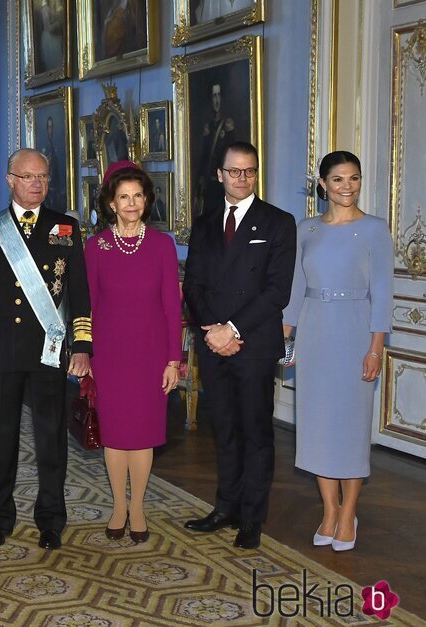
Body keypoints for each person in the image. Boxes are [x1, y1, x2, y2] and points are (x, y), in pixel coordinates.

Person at [0, 148, 92, 551]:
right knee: (1, 438)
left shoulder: (65, 229)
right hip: (2, 352)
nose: (36, 184)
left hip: (49, 351)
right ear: (10, 180)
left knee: (51, 439)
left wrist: (83, 346)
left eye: (42, 176)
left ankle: (51, 520)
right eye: (27, 177)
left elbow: (80, 294)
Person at [182, 141, 296, 550]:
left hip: (253, 342)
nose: (241, 178)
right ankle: (225, 506)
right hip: (213, 343)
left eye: (249, 171)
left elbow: (276, 292)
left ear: (256, 174)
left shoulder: (279, 223)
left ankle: (252, 517)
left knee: (256, 432)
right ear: (220, 175)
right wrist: (213, 330)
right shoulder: (205, 223)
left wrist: (231, 328)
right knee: (224, 429)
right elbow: (192, 283)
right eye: (234, 171)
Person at [281, 151, 393, 552]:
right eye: (339, 180)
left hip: (355, 331)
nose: (348, 187)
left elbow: (382, 294)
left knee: (350, 427)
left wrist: (375, 349)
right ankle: (329, 510)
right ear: (323, 184)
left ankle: (349, 514)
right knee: (317, 427)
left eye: (354, 179)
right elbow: (294, 288)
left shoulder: (376, 230)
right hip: (314, 333)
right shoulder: (306, 228)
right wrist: (286, 337)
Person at [85, 161, 181, 544]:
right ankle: (118, 507)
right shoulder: (96, 247)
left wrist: (174, 359)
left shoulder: (162, 245)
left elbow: (173, 307)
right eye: (123, 196)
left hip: (152, 352)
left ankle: (137, 506)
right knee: (115, 433)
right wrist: (84, 354)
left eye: (137, 196)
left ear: (146, 200)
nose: (131, 203)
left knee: (142, 433)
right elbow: (87, 306)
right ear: (110, 202)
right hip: (109, 353)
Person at [197, 84, 238, 216]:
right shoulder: (208, 126)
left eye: (219, 95)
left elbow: (232, 157)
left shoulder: (228, 124)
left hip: (223, 186)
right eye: (214, 96)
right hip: (210, 185)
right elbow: (204, 157)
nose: (217, 100)